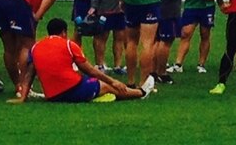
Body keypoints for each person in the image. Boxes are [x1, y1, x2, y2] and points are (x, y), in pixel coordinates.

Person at [10, 19, 155, 103]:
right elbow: (89, 69)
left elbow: (29, 74)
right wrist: (113, 81)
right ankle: (141, 93)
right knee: (105, 86)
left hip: (52, 95)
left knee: (89, 81)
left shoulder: (36, 47)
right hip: (71, 90)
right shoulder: (69, 44)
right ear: (64, 32)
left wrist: (23, 97)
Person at [0, 0, 65, 91]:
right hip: (18, 1)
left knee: (9, 48)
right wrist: (37, 16)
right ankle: (25, 87)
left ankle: (18, 86)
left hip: (2, 0)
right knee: (28, 45)